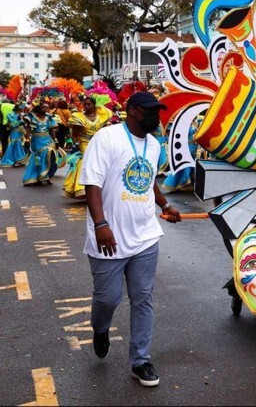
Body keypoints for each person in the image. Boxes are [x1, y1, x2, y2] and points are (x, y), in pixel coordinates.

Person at [81, 92, 181, 387]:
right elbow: (92, 183)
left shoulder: (153, 145)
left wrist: (165, 205)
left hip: (145, 237)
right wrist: (101, 224)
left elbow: (149, 180)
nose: (156, 117)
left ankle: (141, 360)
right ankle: (101, 328)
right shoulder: (107, 138)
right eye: (150, 111)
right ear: (133, 111)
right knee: (108, 299)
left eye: (157, 111)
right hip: (109, 238)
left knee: (142, 298)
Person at [64, 96, 113, 200]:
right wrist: (76, 144)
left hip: (98, 142)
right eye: (85, 104)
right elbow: (75, 134)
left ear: (94, 105)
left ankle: (100, 186)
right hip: (85, 143)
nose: (86, 106)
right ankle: (82, 188)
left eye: (88, 104)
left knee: (100, 162)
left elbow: (105, 131)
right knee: (88, 161)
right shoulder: (79, 117)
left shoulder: (101, 117)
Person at [23, 101, 59, 186]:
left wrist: (56, 140)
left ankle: (47, 176)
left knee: (49, 156)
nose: (45, 109)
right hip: (36, 141)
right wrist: (27, 140)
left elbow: (51, 130)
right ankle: (36, 177)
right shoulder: (32, 117)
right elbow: (28, 129)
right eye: (43, 107)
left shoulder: (49, 117)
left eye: (47, 108)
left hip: (48, 140)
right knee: (38, 159)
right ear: (39, 108)